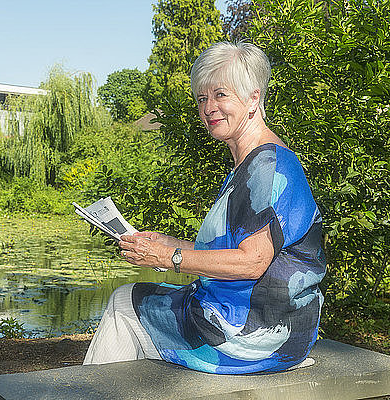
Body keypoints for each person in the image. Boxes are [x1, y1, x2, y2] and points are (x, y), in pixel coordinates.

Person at [83, 41, 326, 374]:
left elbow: (252, 262)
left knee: (125, 302)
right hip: (267, 325)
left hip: (250, 335)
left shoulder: (268, 167)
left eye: (221, 95)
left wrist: (168, 259)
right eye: (202, 98)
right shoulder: (252, 164)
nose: (209, 107)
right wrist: (168, 245)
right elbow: (232, 250)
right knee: (135, 308)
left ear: (253, 97)